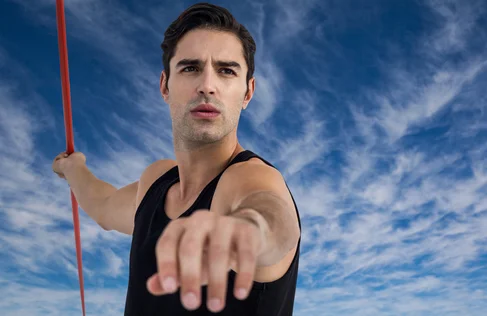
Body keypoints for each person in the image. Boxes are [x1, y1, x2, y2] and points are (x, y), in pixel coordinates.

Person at [51, 3, 301, 315]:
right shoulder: (156, 181)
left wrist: (246, 229)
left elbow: (273, 218)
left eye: (226, 70)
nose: (207, 86)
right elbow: (103, 205)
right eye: (190, 68)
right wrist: (73, 168)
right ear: (165, 86)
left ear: (248, 92)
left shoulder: (249, 178)